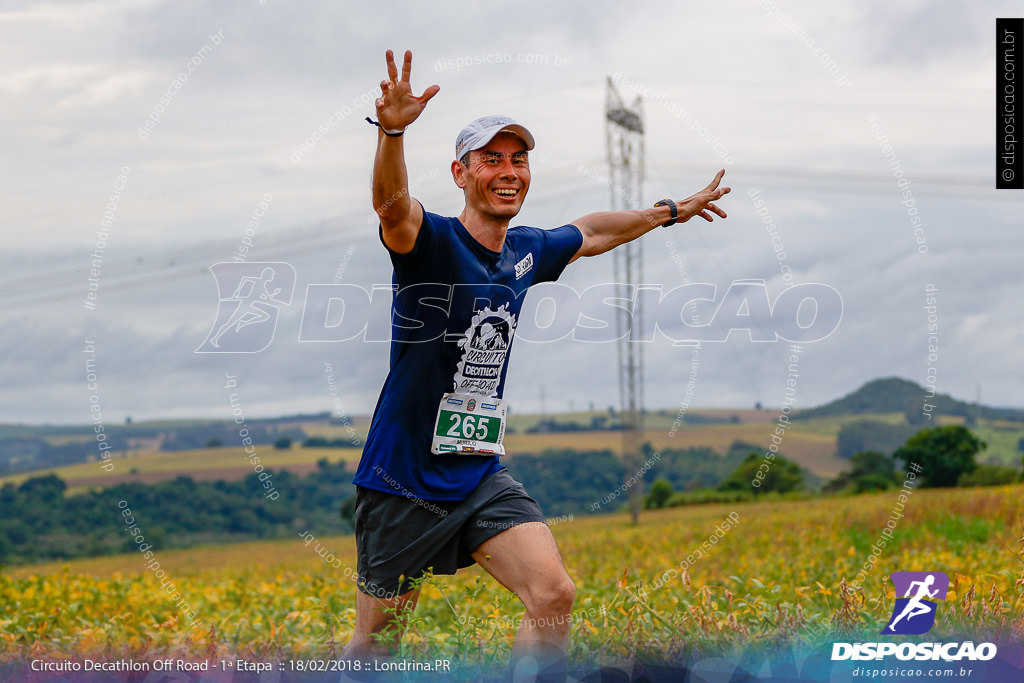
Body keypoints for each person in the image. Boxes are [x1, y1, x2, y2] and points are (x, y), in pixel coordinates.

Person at [341, 49, 730, 678]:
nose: (508, 170)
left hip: (476, 471)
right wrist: (392, 132)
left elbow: (593, 232)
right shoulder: (431, 242)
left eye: (518, 159)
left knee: (552, 594)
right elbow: (391, 208)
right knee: (378, 642)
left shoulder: (523, 250)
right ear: (461, 173)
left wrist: (670, 211)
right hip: (402, 479)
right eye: (490, 159)